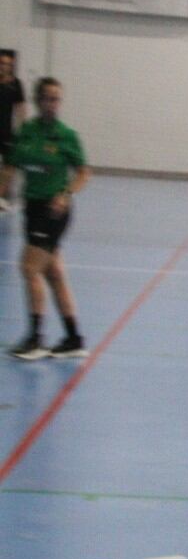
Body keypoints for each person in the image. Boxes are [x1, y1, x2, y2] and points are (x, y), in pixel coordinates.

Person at [8, 77, 91, 360]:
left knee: (29, 267)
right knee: (54, 274)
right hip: (32, 209)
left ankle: (35, 339)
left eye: (57, 99)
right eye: (48, 98)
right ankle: (73, 337)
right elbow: (11, 165)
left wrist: (66, 193)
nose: (53, 104)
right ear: (38, 100)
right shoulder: (28, 132)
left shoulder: (65, 135)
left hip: (54, 212)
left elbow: (83, 173)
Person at [0, 49, 25, 213]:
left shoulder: (16, 84)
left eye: (8, 64)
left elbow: (20, 109)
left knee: (8, 166)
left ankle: (2, 197)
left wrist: (22, 131)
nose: (4, 66)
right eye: (2, 63)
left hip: (7, 131)